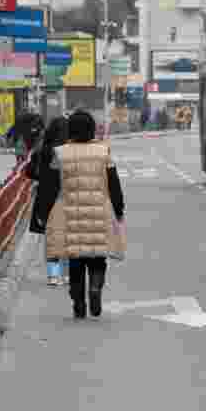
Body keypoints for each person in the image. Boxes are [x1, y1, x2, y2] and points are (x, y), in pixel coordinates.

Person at [35, 110, 125, 319]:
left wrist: (45, 211)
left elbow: (50, 186)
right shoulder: (104, 152)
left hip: (70, 214)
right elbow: (114, 183)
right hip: (99, 212)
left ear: (71, 130)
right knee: (97, 258)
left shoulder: (61, 153)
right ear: (92, 129)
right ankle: (95, 286)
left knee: (75, 261)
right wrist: (119, 209)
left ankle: (78, 302)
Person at [29, 116, 70, 286]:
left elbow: (30, 172)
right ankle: (68, 275)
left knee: (51, 237)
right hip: (69, 199)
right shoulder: (72, 150)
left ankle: (53, 275)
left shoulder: (42, 150)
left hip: (46, 200)